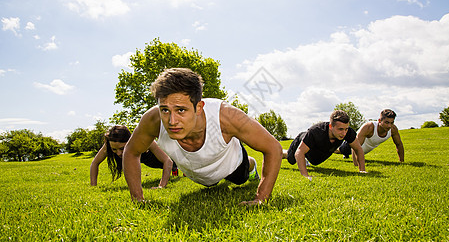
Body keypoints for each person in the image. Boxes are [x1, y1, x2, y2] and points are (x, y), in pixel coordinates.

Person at [123, 68, 282, 205]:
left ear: (198, 108)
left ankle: (250, 164)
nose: (172, 121)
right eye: (165, 110)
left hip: (232, 165)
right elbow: (131, 152)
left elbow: (273, 148)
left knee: (240, 178)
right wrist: (138, 198)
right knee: (210, 184)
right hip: (200, 176)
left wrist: (261, 198)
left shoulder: (226, 116)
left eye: (181, 110)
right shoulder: (152, 120)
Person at [283, 110, 366, 180]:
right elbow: (299, 152)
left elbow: (358, 149)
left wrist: (362, 170)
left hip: (317, 154)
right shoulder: (316, 131)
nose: (344, 133)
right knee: (291, 159)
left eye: (346, 129)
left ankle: (304, 159)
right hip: (302, 143)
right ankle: (283, 153)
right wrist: (306, 175)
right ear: (330, 126)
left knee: (315, 161)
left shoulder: (348, 132)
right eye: (340, 129)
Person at [90, 125, 177, 189]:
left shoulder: (143, 140)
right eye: (114, 149)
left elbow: (167, 161)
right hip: (147, 161)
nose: (119, 153)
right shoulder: (109, 144)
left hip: (161, 158)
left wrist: (161, 186)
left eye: (122, 148)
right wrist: (93, 186)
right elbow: (95, 163)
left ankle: (177, 170)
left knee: (176, 164)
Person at [336, 109, 404, 166]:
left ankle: (345, 154)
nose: (389, 126)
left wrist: (402, 161)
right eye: (386, 122)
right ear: (379, 121)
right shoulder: (369, 127)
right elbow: (355, 147)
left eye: (392, 123)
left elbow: (399, 144)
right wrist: (357, 164)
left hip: (364, 149)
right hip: (351, 145)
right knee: (337, 150)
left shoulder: (393, 129)